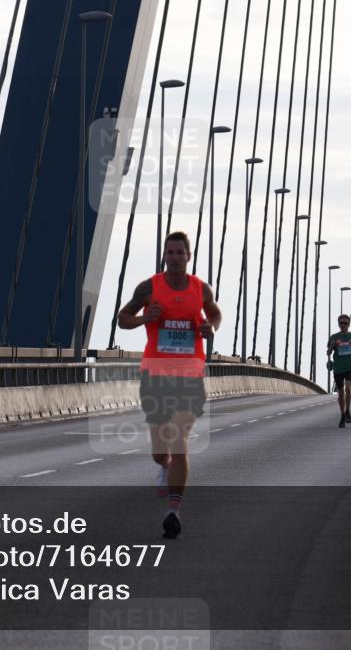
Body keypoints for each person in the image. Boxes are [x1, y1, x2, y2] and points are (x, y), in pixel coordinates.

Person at [117, 231, 222, 540]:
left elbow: (214, 313)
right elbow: (123, 318)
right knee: (160, 451)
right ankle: (163, 467)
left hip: (190, 372)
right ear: (164, 256)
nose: (175, 257)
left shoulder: (200, 289)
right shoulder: (150, 287)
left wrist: (209, 327)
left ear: (188, 256)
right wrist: (143, 318)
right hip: (156, 373)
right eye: (170, 252)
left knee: (180, 440)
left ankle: (173, 511)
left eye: (180, 252)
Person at [326, 314, 351, 428]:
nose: (343, 325)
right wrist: (332, 346)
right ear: (338, 324)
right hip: (338, 368)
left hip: (350, 367)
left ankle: (348, 410)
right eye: (341, 323)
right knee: (340, 393)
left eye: (345, 323)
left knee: (348, 388)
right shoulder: (334, 337)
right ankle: (342, 415)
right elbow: (328, 352)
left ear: (348, 324)